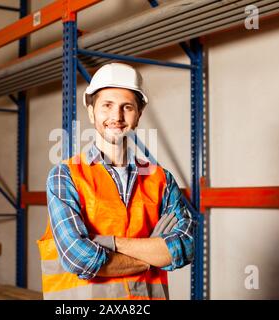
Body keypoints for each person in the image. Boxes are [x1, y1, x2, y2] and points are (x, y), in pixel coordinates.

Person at [39, 62, 195, 300]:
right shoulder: (65, 176)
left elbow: (184, 248)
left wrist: (109, 243)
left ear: (139, 114)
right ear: (91, 112)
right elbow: (79, 258)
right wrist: (152, 253)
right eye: (107, 106)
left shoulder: (162, 179)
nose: (117, 116)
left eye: (127, 107)